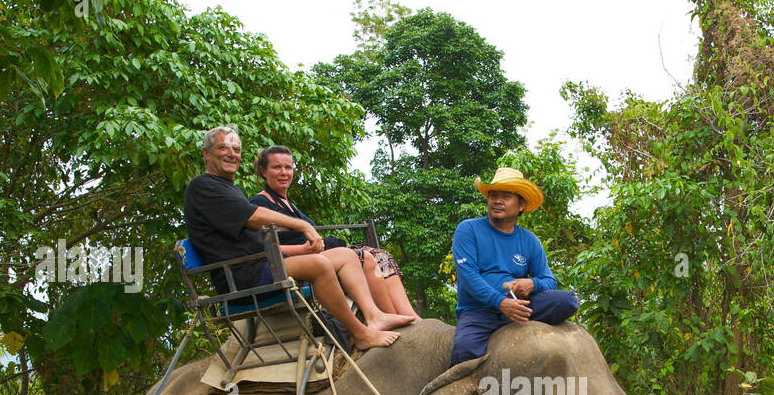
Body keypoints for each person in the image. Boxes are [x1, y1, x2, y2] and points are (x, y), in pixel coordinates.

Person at [183, 126, 413, 350]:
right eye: (224, 148)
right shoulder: (203, 186)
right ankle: (360, 334)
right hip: (243, 275)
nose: (232, 154)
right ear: (206, 153)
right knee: (319, 264)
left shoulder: (228, 188)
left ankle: (375, 316)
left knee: (346, 255)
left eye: (236, 149)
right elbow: (252, 217)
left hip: (263, 264)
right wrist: (302, 226)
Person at [251, 144, 419, 320]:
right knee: (365, 257)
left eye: (288, 167)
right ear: (264, 171)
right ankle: (389, 316)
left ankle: (410, 316)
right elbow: (262, 248)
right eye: (277, 167)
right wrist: (302, 250)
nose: (284, 173)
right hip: (298, 263)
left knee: (381, 256)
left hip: (315, 254)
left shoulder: (288, 203)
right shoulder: (260, 203)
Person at [450, 167, 578, 365]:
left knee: (567, 301)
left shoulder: (529, 240)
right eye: (493, 195)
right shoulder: (468, 229)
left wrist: (532, 284)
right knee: (464, 349)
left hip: (519, 307)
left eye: (506, 196)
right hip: (479, 311)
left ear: (521, 205)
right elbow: (468, 278)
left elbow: (549, 281)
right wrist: (500, 303)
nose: (497, 201)